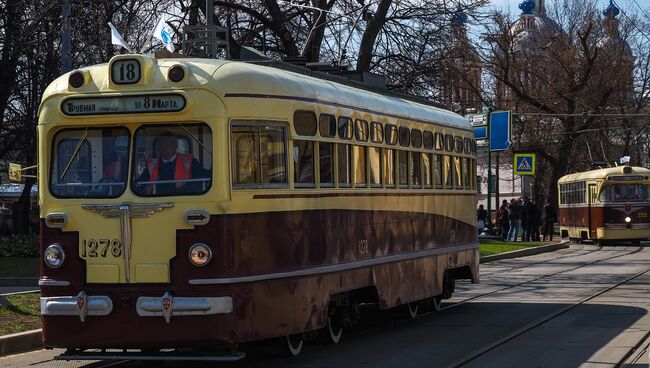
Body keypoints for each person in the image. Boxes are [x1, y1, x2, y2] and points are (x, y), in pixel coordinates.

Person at [136, 133, 208, 195]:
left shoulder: (189, 161)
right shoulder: (151, 165)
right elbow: (141, 183)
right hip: (158, 201)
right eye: (163, 143)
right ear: (159, 147)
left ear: (176, 145)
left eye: (170, 142)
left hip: (184, 201)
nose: (167, 145)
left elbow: (202, 177)